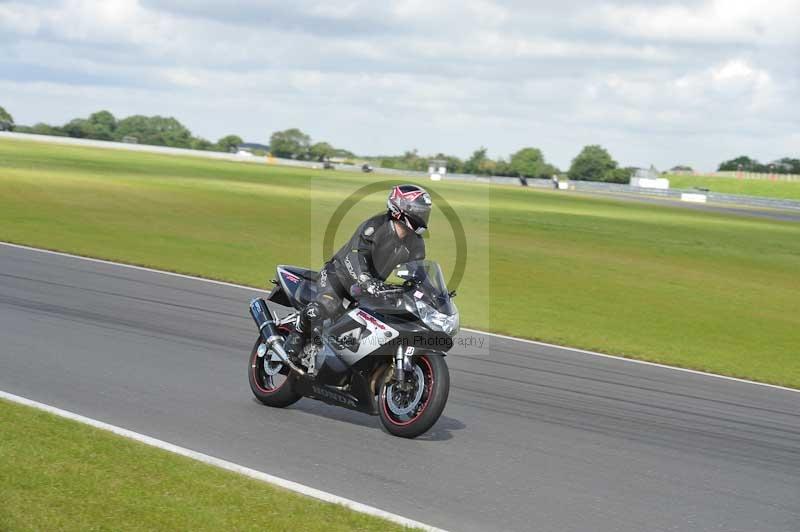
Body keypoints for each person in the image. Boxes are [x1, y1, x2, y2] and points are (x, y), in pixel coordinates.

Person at [284, 184, 432, 358]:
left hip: (369, 288)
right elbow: (355, 256)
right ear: (400, 208)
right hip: (338, 276)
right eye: (419, 211)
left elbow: (418, 273)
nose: (422, 216)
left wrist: (430, 293)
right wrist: (365, 279)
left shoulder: (416, 243)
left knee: (374, 327)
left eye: (424, 212)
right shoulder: (375, 226)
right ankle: (295, 336)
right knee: (324, 307)